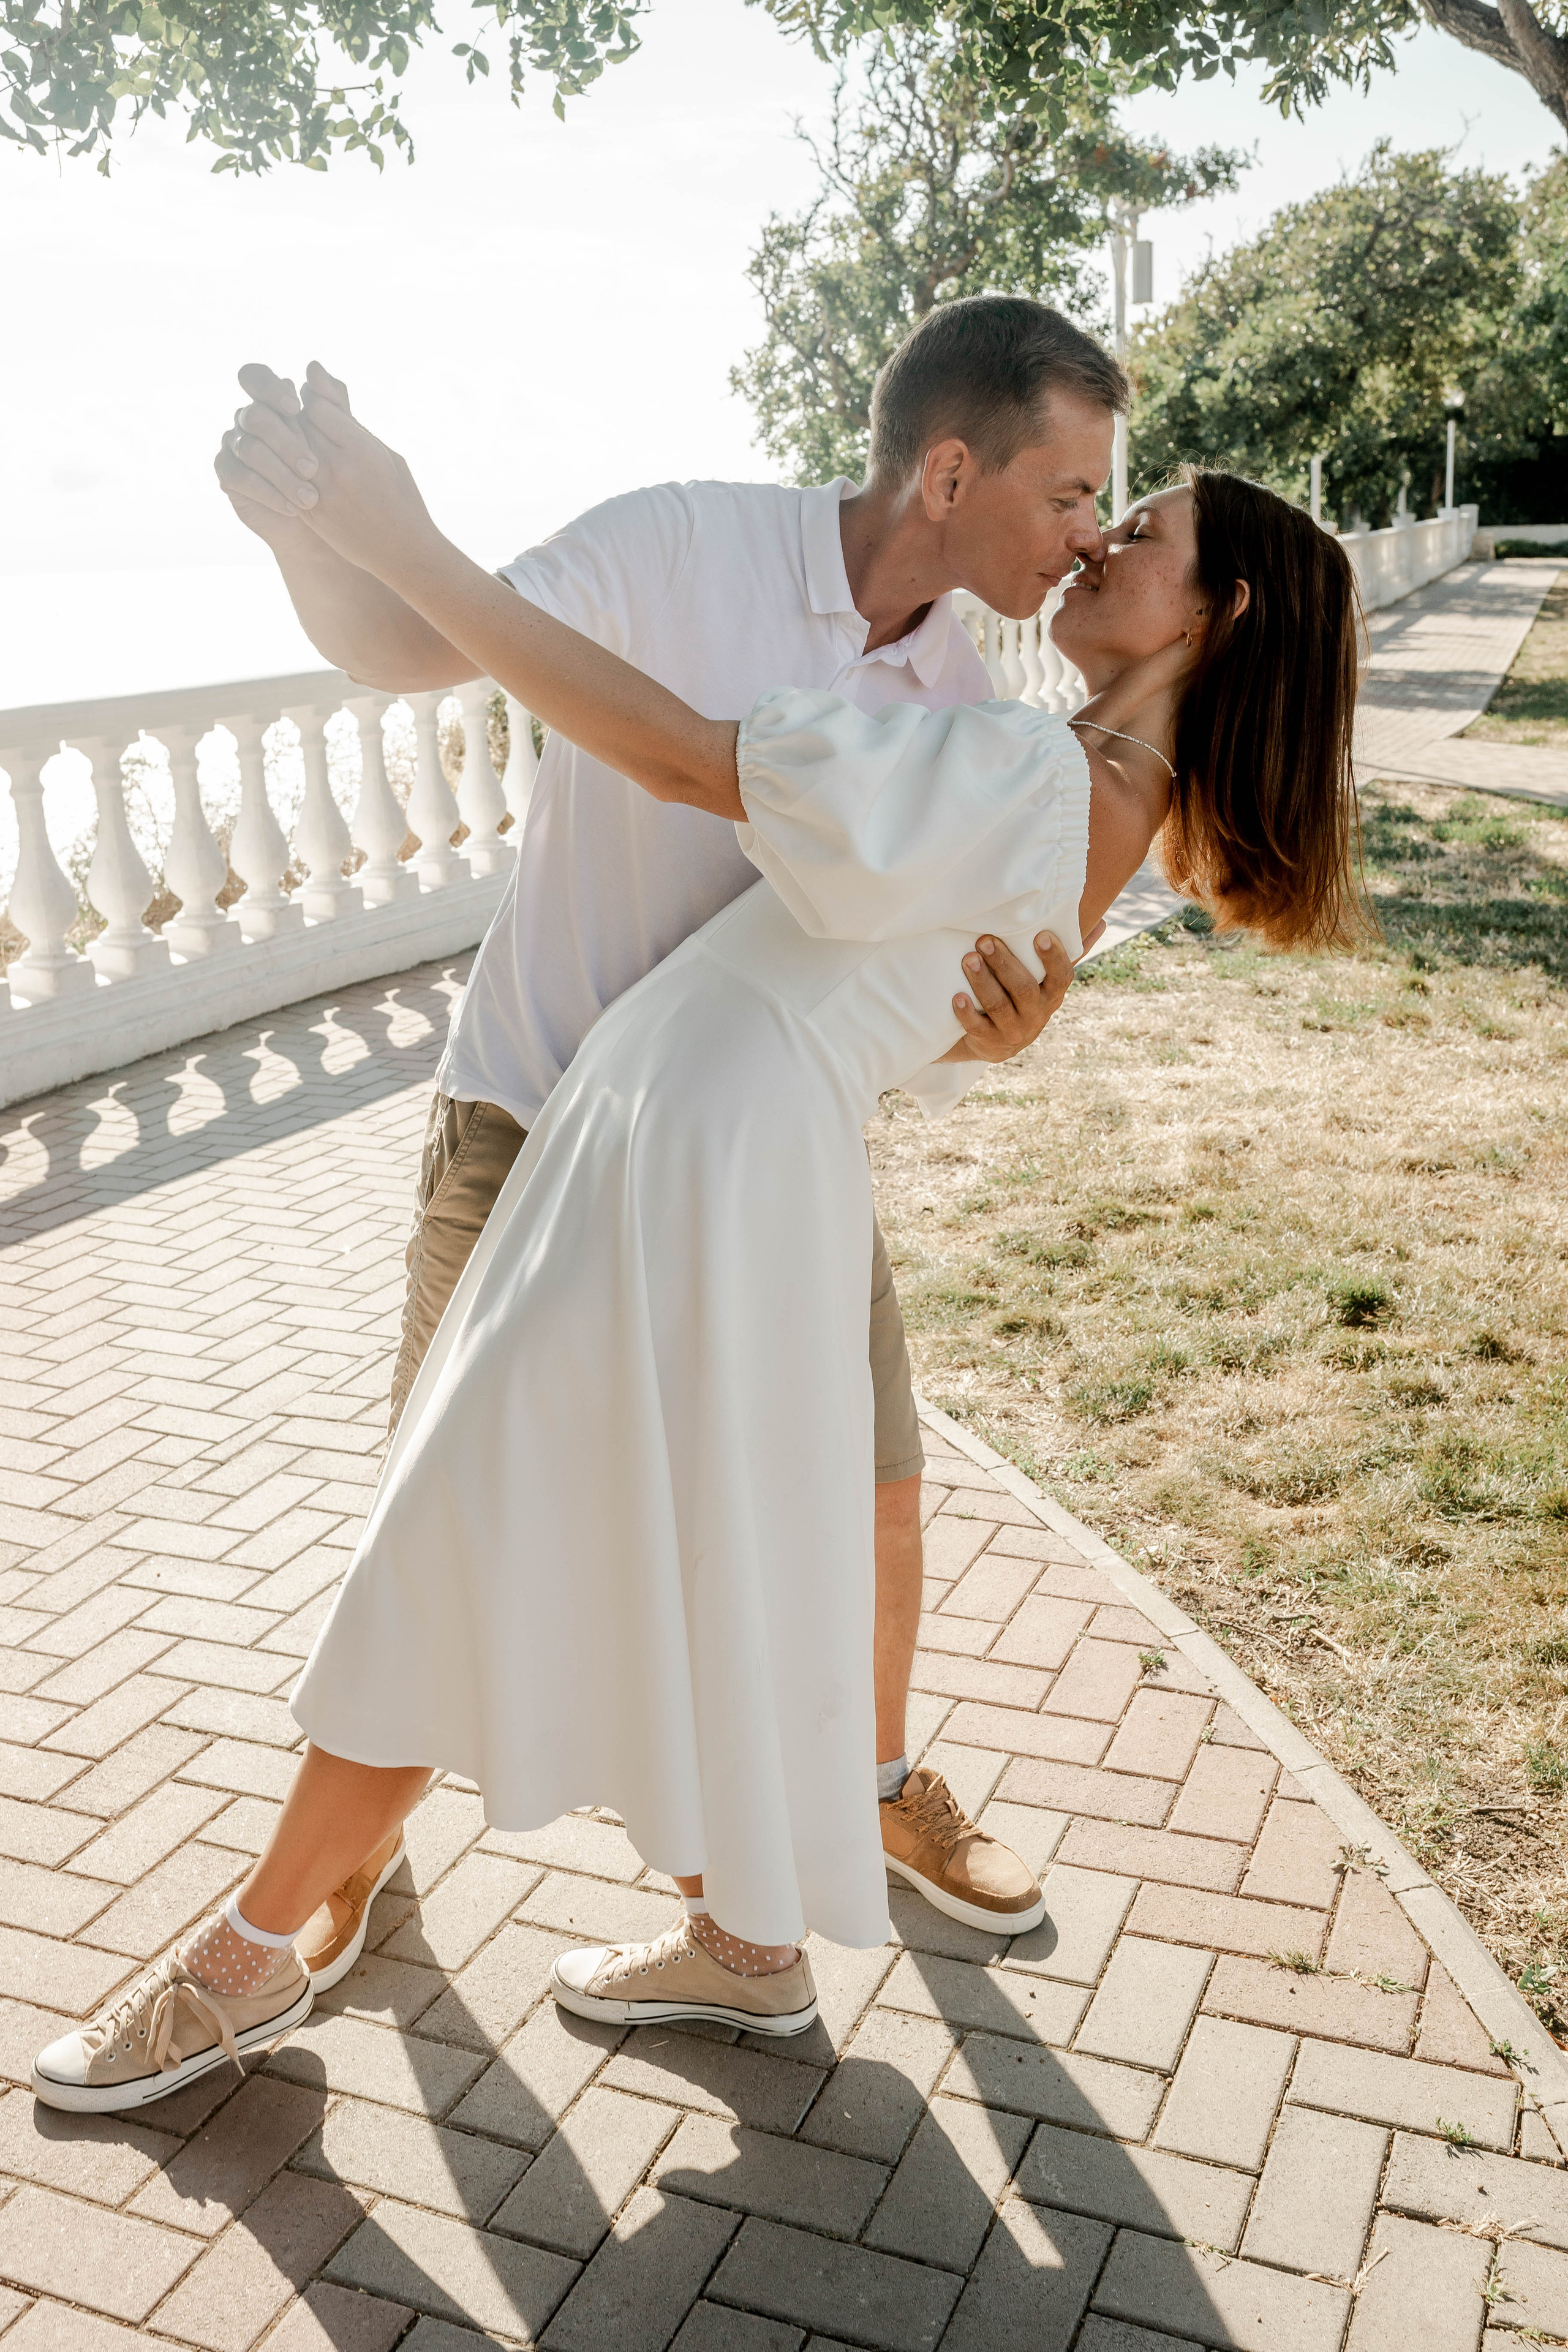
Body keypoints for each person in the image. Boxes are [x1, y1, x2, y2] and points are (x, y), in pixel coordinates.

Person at [32, 390, 1365, 2111]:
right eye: (1095, 499)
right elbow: (924, 991)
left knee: (462, 1527)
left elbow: (679, 759)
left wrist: (405, 536)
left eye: (1143, 526)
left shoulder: (1033, 759)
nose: (1104, 537)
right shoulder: (1072, 774)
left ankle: (253, 1951)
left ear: (1216, 611)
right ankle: (741, 1947)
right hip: (674, 1149)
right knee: (654, 1557)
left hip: (690, 1170)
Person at [208, 296, 1127, 1969]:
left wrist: (1014, 1017)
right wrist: (309, 535)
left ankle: (869, 1783)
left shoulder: (957, 685)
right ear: (947, 470)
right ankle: (344, 1858)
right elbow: (419, 643)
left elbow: (931, 945)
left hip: (763, 1160)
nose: (1092, 535)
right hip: (533, 1106)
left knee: (878, 1489)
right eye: (1071, 495)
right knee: (447, 1517)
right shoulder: (679, 542)